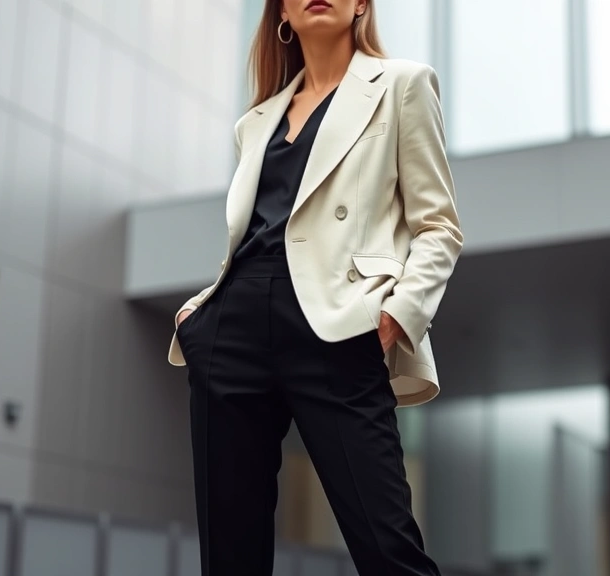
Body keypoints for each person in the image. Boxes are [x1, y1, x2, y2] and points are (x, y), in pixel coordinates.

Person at [167, 0, 462, 573]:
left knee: (389, 550)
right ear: (281, 10)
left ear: (361, 5)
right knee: (230, 558)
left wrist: (397, 316)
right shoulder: (256, 122)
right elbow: (260, 232)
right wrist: (199, 317)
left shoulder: (402, 85)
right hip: (233, 332)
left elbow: (439, 227)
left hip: (340, 327)